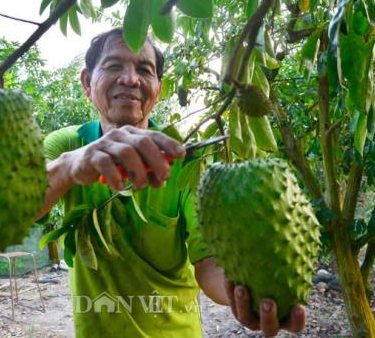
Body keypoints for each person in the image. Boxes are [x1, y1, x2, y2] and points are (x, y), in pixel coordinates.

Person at [36, 27, 306, 337]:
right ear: (87, 82)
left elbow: (208, 263)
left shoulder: (185, 160)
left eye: (144, 69)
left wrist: (247, 294)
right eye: (114, 66)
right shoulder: (66, 146)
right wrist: (71, 165)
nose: (130, 79)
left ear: (158, 89)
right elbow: (21, 209)